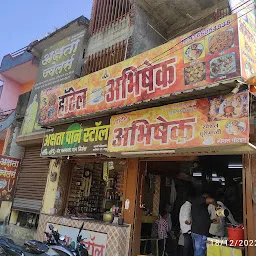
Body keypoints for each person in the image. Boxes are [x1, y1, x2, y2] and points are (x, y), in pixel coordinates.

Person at [191, 192, 217, 256]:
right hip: (200, 232)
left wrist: (211, 221)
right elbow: (212, 200)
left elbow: (201, 218)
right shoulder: (199, 200)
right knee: (200, 252)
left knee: (198, 251)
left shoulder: (200, 206)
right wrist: (217, 206)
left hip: (197, 231)